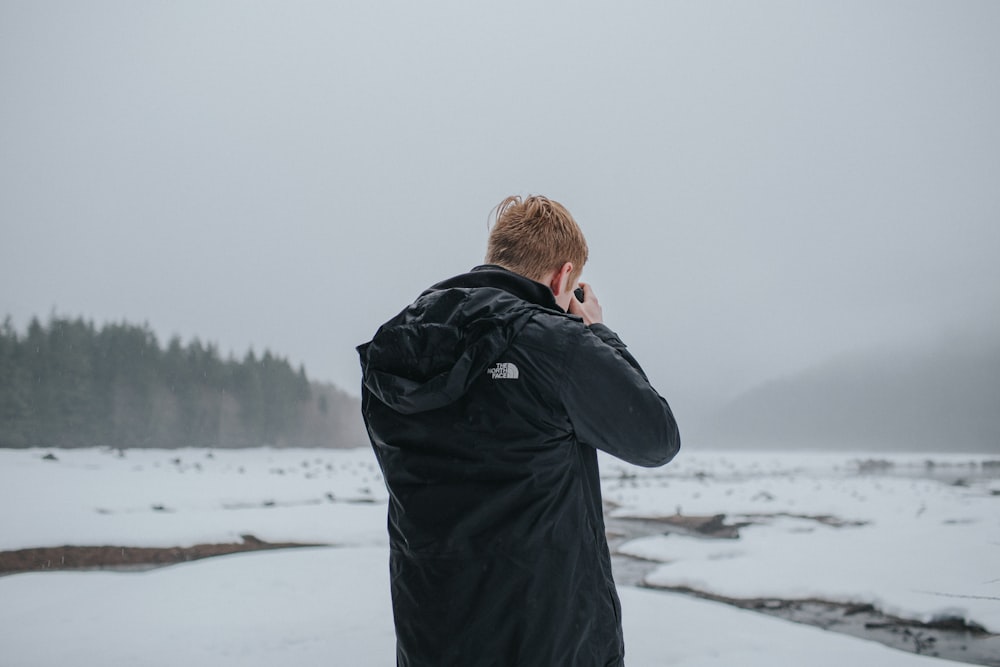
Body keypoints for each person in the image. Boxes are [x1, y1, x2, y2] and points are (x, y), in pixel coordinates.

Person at [357, 195, 680, 667]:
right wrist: (596, 333)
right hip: (545, 644)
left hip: (431, 641)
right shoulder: (555, 343)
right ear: (563, 277)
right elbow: (656, 438)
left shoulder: (397, 350)